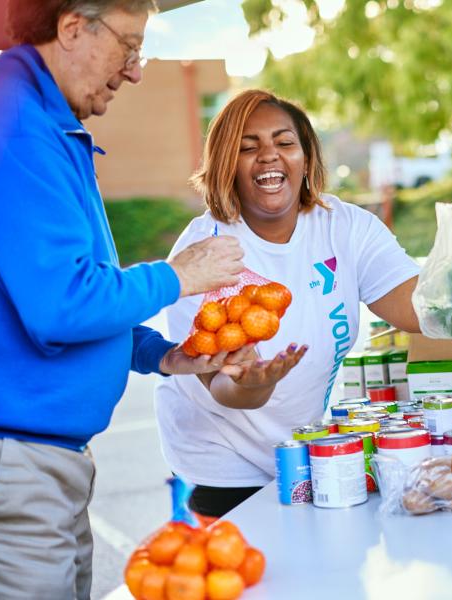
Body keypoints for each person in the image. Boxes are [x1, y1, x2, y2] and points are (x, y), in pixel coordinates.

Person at [0, 1, 249, 597]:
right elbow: (62, 306)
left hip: (43, 460)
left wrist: (161, 354)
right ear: (74, 27)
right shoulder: (17, 124)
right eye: (130, 46)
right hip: (14, 460)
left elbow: (55, 292)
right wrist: (178, 275)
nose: (135, 71)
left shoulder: (42, 121)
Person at [155, 90, 421, 518]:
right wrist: (254, 382)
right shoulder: (207, 252)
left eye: (284, 143)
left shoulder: (344, 225)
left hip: (303, 444)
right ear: (227, 163)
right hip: (223, 464)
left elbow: (413, 306)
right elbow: (222, 387)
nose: (268, 157)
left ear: (306, 157)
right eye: (248, 147)